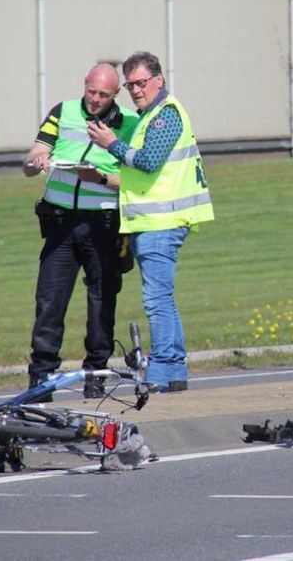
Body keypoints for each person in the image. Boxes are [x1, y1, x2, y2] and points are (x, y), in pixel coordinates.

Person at [87, 51, 214, 392]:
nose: (136, 90)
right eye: (130, 85)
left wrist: (112, 144)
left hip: (163, 222)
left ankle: (162, 370)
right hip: (154, 221)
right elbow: (142, 172)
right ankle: (172, 369)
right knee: (163, 297)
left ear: (158, 79)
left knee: (156, 299)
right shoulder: (150, 115)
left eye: (141, 83)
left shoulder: (164, 116)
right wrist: (101, 177)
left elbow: (147, 161)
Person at [22, 63, 139, 399]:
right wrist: (36, 162)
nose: (95, 99)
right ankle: (41, 377)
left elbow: (135, 180)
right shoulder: (63, 111)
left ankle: (96, 374)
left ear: (116, 94)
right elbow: (33, 159)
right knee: (49, 300)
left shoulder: (130, 123)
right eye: (91, 92)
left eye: (104, 95)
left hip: (102, 223)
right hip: (60, 222)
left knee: (101, 301)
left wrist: (100, 178)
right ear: (84, 85)